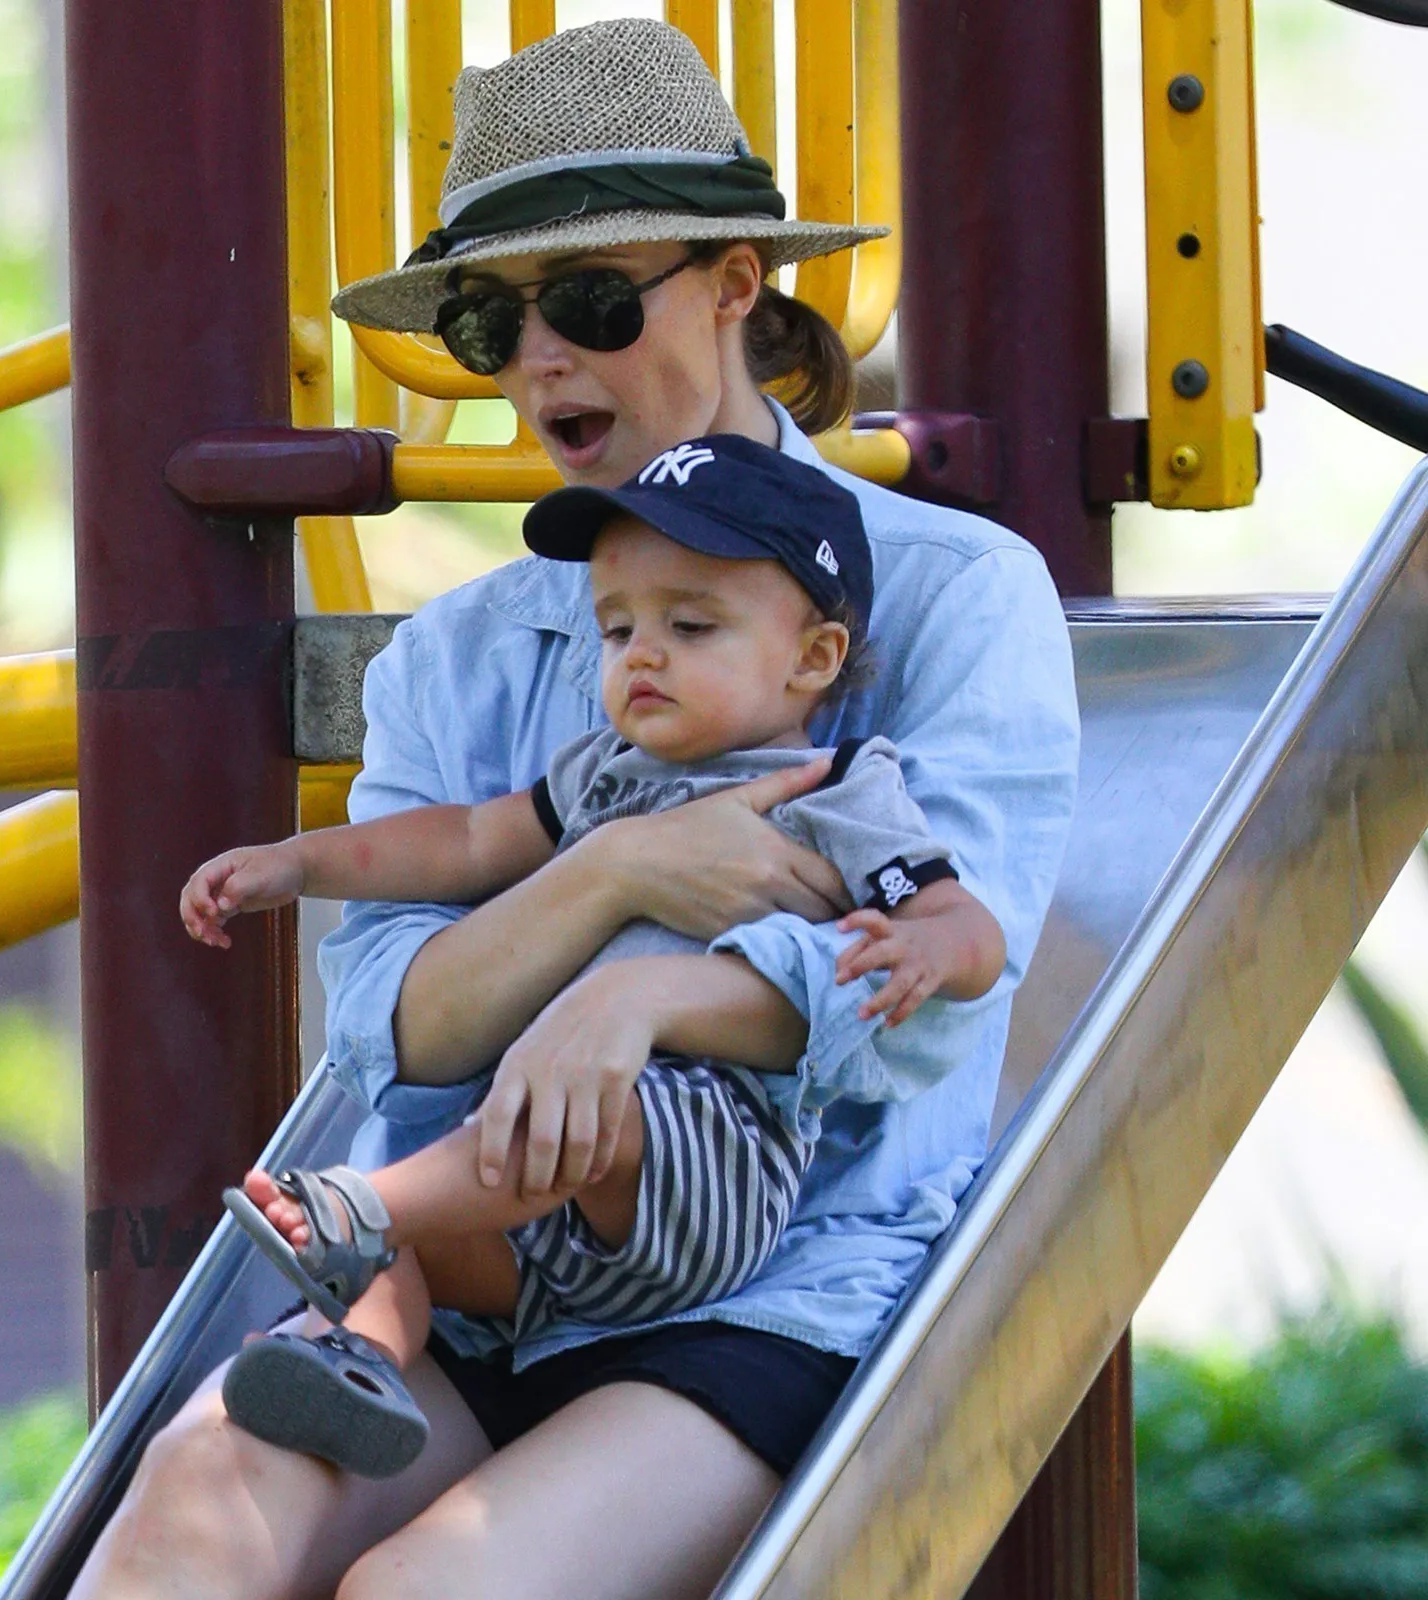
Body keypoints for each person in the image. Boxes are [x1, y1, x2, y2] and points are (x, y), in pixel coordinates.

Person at [70, 17, 1077, 1600]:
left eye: (596, 300)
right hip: (480, 1288)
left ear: (737, 286)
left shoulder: (949, 595)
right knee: (188, 1509)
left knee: (428, 1593)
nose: (544, 359)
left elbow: (935, 998)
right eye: (494, 319)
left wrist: (641, 1000)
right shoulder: (457, 656)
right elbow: (389, 1028)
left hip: (769, 1282)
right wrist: (615, 874)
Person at [176, 437, 1007, 1482]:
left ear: (814, 659)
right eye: (618, 629)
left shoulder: (834, 789)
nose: (640, 655)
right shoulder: (602, 774)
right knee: (422, 1242)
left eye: (689, 625)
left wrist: (927, 945)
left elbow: (969, 927)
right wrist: (298, 862)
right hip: (545, 1222)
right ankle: (364, 1362)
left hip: (700, 1161)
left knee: (560, 1106)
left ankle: (367, 1199)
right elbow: (465, 843)